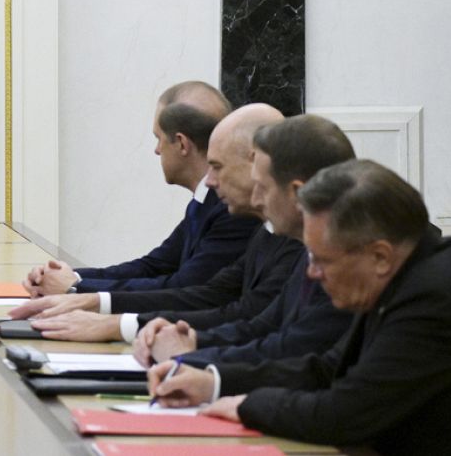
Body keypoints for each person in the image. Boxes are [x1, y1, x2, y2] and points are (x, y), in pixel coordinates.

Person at [150, 160, 451, 455]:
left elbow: (343, 414)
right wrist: (213, 383)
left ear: (380, 257)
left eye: (321, 260)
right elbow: (326, 369)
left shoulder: (433, 297)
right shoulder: (400, 273)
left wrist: (246, 406)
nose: (311, 273)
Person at [8, 104, 300, 342]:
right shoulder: (266, 231)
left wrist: (110, 318)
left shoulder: (282, 236)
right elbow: (201, 287)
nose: (210, 181)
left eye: (217, 167)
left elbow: (241, 315)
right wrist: (85, 293)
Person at [136, 115, 355, 366]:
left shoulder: (343, 260)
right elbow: (263, 325)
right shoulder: (298, 245)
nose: (257, 198)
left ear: (296, 192)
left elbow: (295, 349)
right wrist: (193, 341)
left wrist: (193, 356)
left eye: (263, 187)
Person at [22, 81, 257, 295]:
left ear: (181, 143)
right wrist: (69, 277)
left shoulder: (232, 209)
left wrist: (76, 287)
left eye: (158, 138)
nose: (157, 150)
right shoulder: (204, 201)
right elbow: (155, 266)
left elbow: (183, 287)